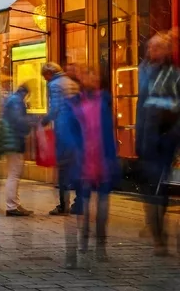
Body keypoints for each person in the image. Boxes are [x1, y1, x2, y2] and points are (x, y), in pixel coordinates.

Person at [70, 67, 118, 266]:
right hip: (83, 159)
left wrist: (112, 158)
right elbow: (71, 130)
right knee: (85, 202)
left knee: (103, 206)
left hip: (103, 158)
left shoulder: (105, 100)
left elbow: (109, 131)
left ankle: (101, 245)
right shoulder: (75, 102)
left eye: (95, 76)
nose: (92, 79)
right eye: (88, 75)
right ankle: (84, 238)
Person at [138, 31, 179, 255]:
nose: (152, 52)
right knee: (151, 188)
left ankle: (158, 235)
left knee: (158, 188)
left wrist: (172, 135)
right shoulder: (145, 73)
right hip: (147, 138)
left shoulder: (175, 75)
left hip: (164, 139)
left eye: (157, 48)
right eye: (150, 48)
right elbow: (141, 107)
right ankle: (156, 232)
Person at [42, 62, 81, 216]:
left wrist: (45, 119)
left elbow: (56, 107)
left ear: (49, 73)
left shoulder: (54, 84)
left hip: (63, 130)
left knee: (63, 169)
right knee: (76, 167)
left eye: (44, 76)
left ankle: (63, 205)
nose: (45, 80)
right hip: (77, 130)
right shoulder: (71, 83)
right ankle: (80, 204)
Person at [1, 82, 32, 216]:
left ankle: (15, 204)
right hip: (14, 142)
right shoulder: (17, 102)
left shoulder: (13, 100)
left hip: (11, 141)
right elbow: (19, 121)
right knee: (14, 174)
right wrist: (30, 122)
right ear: (25, 93)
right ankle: (11, 206)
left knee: (13, 174)